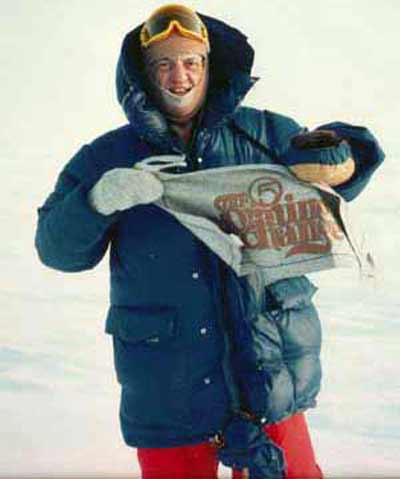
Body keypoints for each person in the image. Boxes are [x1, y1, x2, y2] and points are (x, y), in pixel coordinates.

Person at [35, 4, 384, 479]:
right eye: (164, 63)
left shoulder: (263, 133)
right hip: (170, 392)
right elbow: (56, 249)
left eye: (191, 61)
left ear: (208, 66)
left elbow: (337, 164)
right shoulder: (108, 157)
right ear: (144, 73)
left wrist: (343, 153)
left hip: (269, 373)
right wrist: (97, 198)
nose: (179, 75)